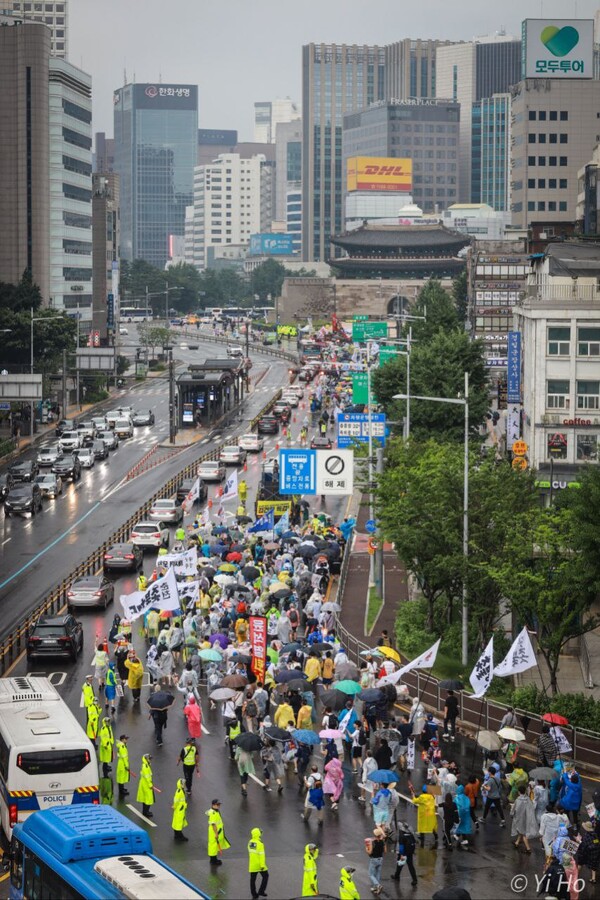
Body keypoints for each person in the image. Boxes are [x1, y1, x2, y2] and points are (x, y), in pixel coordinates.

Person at [511, 784, 538, 853]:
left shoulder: (518, 800)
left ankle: (528, 848)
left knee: (523, 833)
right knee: (521, 831)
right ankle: (517, 843)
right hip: (527, 818)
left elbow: (514, 809)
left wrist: (511, 813)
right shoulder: (528, 799)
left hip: (519, 818)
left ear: (519, 792)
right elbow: (531, 807)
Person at [391, 821, 418, 887]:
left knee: (400, 863)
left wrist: (402, 854)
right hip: (410, 852)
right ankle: (415, 879)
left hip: (404, 852)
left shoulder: (401, 835)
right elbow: (414, 842)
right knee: (410, 865)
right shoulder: (410, 833)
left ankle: (396, 876)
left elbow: (401, 846)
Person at [206, 799, 230, 866]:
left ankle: (213, 859)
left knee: (214, 845)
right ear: (213, 805)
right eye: (217, 804)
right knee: (213, 846)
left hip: (215, 831)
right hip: (214, 832)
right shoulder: (213, 813)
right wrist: (216, 833)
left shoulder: (214, 811)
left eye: (219, 804)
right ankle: (213, 860)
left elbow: (207, 812)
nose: (219, 806)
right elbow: (213, 824)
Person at [575, 821, 600, 885]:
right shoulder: (595, 834)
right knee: (594, 865)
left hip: (587, 852)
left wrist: (579, 841)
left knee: (580, 862)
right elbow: (596, 842)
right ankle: (593, 878)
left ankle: (576, 876)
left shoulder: (587, 836)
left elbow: (584, 845)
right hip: (595, 853)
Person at [248, 827, 269, 900]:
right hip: (259, 865)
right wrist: (262, 865)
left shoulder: (250, 842)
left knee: (252, 880)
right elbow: (262, 855)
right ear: (258, 834)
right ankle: (261, 891)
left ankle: (254, 894)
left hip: (252, 865)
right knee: (265, 876)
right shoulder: (260, 844)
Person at [366, 826, 386, 895]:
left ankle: (378, 885)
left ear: (375, 835)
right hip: (380, 859)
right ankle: (376, 888)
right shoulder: (382, 842)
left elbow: (370, 852)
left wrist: (366, 849)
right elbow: (385, 851)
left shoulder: (372, 842)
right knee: (377, 874)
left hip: (374, 859)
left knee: (371, 874)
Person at [136, 754, 155, 819]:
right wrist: (150, 785)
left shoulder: (145, 765)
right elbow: (147, 777)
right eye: (149, 759)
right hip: (146, 785)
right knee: (148, 799)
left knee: (145, 798)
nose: (150, 760)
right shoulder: (146, 767)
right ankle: (146, 812)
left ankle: (145, 811)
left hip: (144, 784)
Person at [115, 735, 130, 799]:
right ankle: (121, 791)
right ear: (122, 740)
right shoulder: (122, 747)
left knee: (121, 777)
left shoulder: (122, 745)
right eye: (125, 739)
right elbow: (124, 757)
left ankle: (122, 789)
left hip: (121, 763)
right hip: (122, 763)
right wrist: (126, 765)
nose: (126, 740)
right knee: (121, 777)